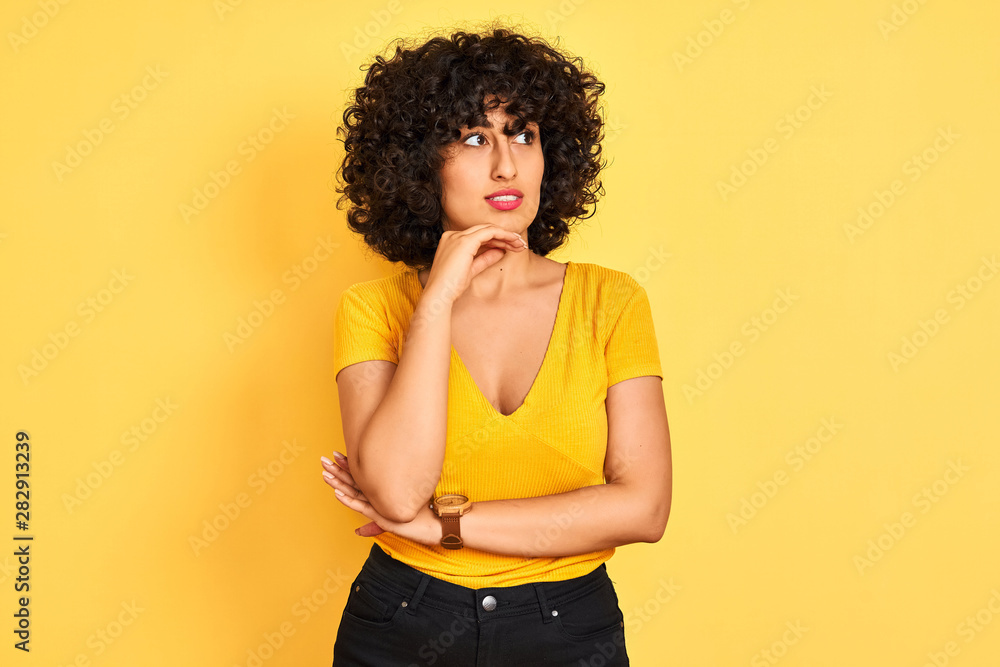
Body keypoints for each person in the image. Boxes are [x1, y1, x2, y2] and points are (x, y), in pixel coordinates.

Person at [321, 23, 671, 666]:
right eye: (475, 138)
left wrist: (441, 527)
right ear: (421, 162)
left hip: (568, 627)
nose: (506, 164)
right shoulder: (373, 309)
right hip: (403, 622)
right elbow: (395, 494)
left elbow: (643, 509)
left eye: (523, 134)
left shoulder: (611, 301)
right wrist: (436, 302)